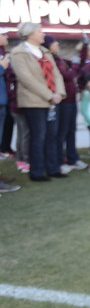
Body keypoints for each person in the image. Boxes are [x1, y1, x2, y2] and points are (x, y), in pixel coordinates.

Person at [9, 22, 66, 182]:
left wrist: (59, 93)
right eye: (40, 31)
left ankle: (53, 168)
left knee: (52, 135)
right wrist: (49, 95)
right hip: (33, 101)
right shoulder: (18, 53)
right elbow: (26, 79)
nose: (43, 34)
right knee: (38, 136)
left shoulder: (45, 52)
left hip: (52, 100)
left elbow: (56, 74)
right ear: (30, 34)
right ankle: (37, 172)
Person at [46, 34, 88, 172]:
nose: (57, 44)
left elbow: (79, 65)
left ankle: (72, 158)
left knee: (71, 130)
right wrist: (75, 65)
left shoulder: (60, 59)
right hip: (61, 101)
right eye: (54, 42)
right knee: (61, 132)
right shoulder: (51, 60)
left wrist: (84, 48)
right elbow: (69, 75)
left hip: (70, 99)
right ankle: (60, 160)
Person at [0, 27, 18, 194]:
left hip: (4, 102)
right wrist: (1, 67)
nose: (6, 37)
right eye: (3, 34)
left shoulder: (3, 52)